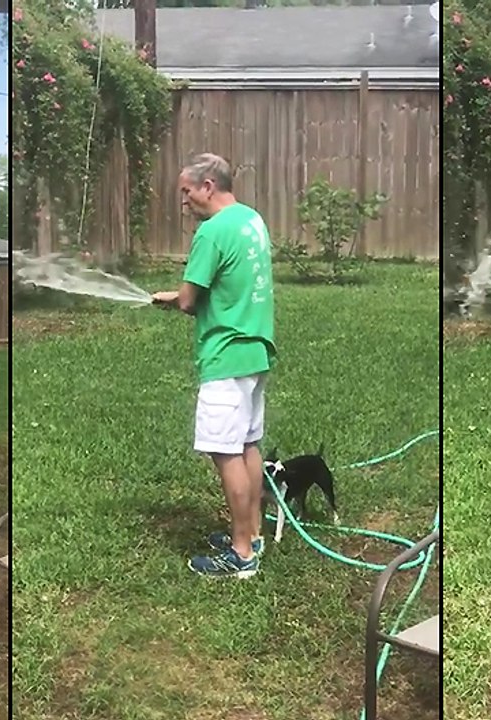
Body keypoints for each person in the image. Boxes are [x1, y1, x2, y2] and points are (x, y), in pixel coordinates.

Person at [152, 153, 277, 579]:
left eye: (186, 191)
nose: (183, 201)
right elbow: (228, 282)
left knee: (224, 452)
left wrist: (178, 298)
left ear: (208, 185)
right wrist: (178, 295)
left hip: (225, 354)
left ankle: (241, 556)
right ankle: (253, 533)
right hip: (256, 349)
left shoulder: (211, 232)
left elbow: (190, 301)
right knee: (248, 445)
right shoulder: (251, 220)